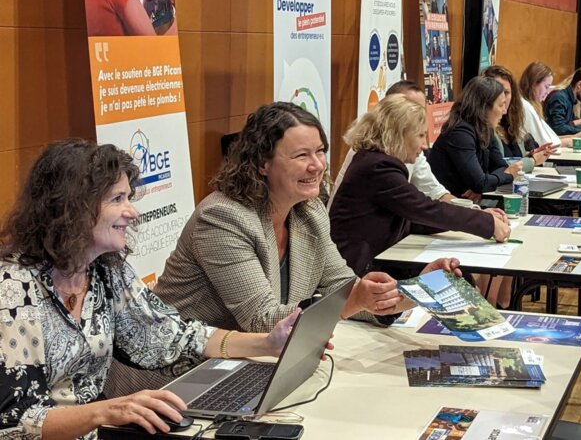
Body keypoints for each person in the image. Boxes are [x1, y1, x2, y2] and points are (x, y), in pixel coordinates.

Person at [106, 102, 456, 397]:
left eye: (320, 152)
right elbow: (263, 320)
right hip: (173, 380)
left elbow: (343, 287)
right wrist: (355, 299)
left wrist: (416, 291)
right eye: (302, 155)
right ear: (263, 163)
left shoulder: (309, 211)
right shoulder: (223, 217)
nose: (317, 165)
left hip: (250, 371)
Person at [0, 140, 301, 439]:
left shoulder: (105, 270)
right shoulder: (13, 289)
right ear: (72, 207)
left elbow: (173, 336)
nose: (132, 212)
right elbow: (14, 422)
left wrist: (267, 343)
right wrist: (105, 412)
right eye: (117, 199)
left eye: (128, 198)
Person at [329, 95, 510, 276]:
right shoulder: (379, 168)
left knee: (458, 275)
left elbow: (413, 218)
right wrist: (487, 224)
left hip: (379, 260)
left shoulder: (375, 160)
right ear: (399, 134)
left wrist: (478, 215)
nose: (424, 145)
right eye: (421, 135)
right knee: (454, 276)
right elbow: (426, 209)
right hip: (358, 273)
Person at [329, 80, 454, 210]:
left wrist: (464, 207)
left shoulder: (410, 149)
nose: (417, 117)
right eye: (408, 109)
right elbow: (421, 207)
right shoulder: (373, 157)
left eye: (420, 109)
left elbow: (434, 192)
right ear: (389, 112)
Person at [427, 76, 523, 199]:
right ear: (484, 108)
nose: (504, 111)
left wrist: (487, 184)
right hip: (447, 204)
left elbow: (501, 166)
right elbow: (480, 183)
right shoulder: (459, 133)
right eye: (501, 105)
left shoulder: (485, 128)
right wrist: (508, 176)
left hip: (467, 202)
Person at [481, 65, 556, 173]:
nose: (503, 98)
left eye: (506, 92)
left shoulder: (510, 123)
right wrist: (533, 161)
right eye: (498, 92)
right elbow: (502, 168)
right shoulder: (483, 127)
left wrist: (531, 155)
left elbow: (513, 160)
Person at [518, 61, 581, 148]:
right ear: (534, 84)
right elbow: (545, 143)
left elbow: (551, 137)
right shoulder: (526, 107)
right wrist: (573, 139)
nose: (547, 92)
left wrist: (575, 136)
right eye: (546, 87)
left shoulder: (532, 106)